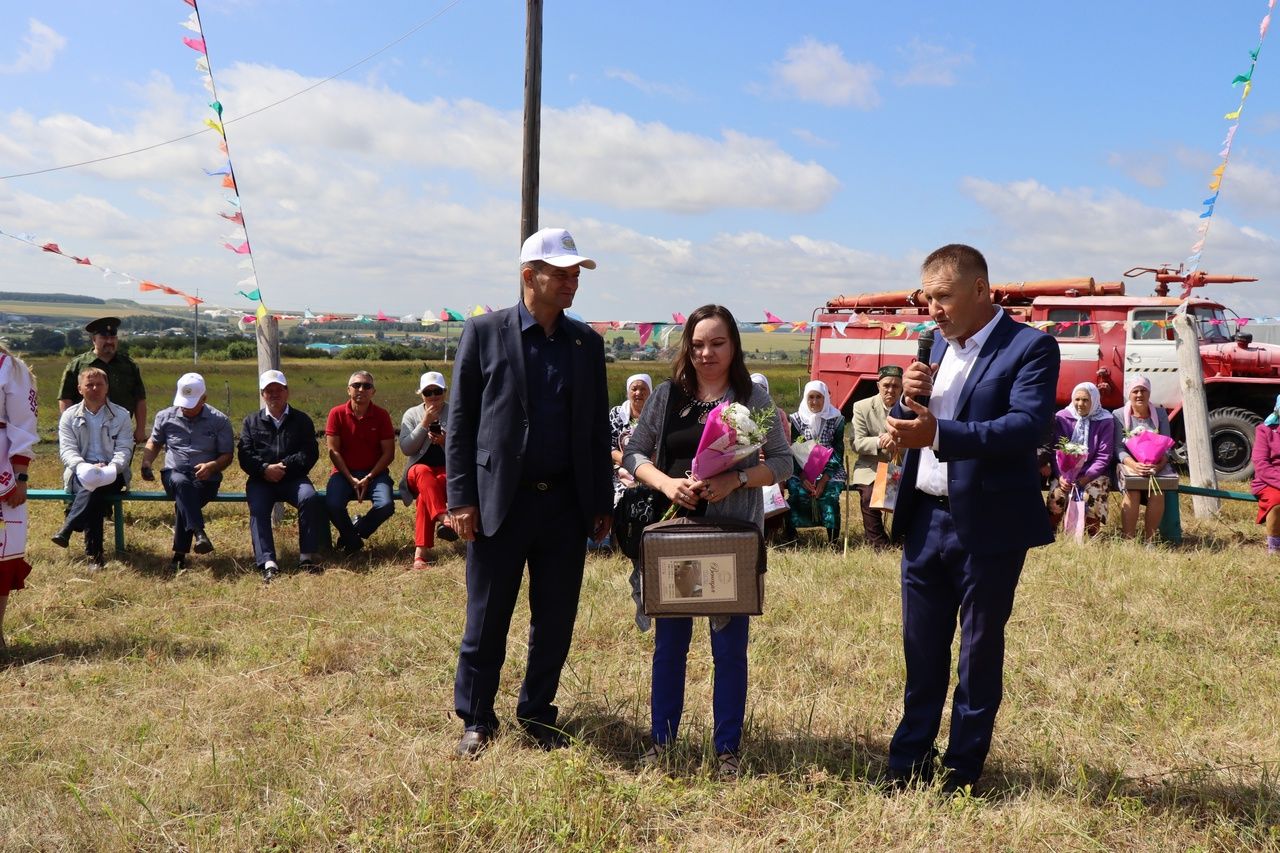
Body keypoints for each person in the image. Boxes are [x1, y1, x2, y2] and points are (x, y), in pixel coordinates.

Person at [885, 244, 1060, 791]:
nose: (933, 310)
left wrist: (939, 433)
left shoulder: (1030, 347)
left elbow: (1027, 426)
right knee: (921, 649)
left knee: (978, 654)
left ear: (981, 291)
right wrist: (904, 404)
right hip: (924, 521)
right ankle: (906, 763)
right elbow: (909, 426)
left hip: (988, 525)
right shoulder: (935, 345)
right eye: (927, 298)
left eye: (944, 297)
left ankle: (962, 772)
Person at [447, 227, 613, 758]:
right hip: (500, 502)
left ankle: (538, 713)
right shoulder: (484, 332)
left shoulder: (586, 344)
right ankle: (476, 718)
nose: (571, 284)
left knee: (556, 618)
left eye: (575, 275)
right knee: (487, 618)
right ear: (529, 276)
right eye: (562, 274)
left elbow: (594, 432)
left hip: (565, 505)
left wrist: (601, 503)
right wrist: (461, 499)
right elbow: (460, 422)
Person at [624, 304, 791, 780]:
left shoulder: (751, 400)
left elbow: (781, 463)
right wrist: (664, 483)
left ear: (734, 345)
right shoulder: (666, 396)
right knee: (669, 645)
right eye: (697, 344)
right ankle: (662, 743)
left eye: (717, 343)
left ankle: (728, 750)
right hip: (673, 535)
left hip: (729, 538)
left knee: (729, 646)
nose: (706, 352)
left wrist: (735, 480)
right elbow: (635, 450)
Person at [138, 373, 234, 574]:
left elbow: (227, 455)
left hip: (207, 478)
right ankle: (199, 533)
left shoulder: (220, 420)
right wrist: (147, 461)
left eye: (192, 403)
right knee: (181, 484)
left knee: (185, 498)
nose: (186, 408)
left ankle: (180, 555)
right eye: (183, 403)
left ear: (204, 398)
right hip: (174, 474)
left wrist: (212, 466)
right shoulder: (165, 416)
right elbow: (154, 442)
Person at [238, 369, 325, 580]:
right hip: (261, 480)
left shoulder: (302, 420)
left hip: (293, 478)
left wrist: (284, 466)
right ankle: (268, 563)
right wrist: (264, 469)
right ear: (262, 394)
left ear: (287, 392)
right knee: (258, 508)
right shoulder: (251, 422)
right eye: (269, 390)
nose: (274, 394)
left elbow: (309, 453)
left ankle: (306, 558)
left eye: (279, 389)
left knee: (309, 498)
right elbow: (244, 454)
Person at [52, 368, 134, 572]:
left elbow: (125, 449)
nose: (95, 388)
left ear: (107, 388)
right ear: (80, 389)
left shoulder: (121, 415)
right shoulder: (69, 416)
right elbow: (68, 450)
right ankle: (94, 558)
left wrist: (111, 468)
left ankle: (70, 527)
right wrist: (85, 467)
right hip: (79, 471)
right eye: (89, 384)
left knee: (94, 486)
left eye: (99, 384)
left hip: (114, 472)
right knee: (93, 488)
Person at [325, 370, 396, 554]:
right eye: (356, 385)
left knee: (386, 505)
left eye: (367, 386)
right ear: (348, 390)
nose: (361, 389)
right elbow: (333, 451)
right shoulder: (337, 413)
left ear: (373, 391)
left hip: (375, 474)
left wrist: (369, 477)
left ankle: (354, 533)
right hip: (343, 473)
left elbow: (388, 453)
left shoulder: (381, 415)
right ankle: (353, 542)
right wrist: (350, 478)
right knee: (332, 504)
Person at [58, 317, 148, 445]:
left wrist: (140, 429)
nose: (109, 341)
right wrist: (69, 426)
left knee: (120, 463)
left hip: (120, 430)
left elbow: (140, 399)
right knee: (84, 464)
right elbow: (65, 398)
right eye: (104, 338)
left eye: (113, 338)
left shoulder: (129, 365)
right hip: (86, 428)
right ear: (94, 339)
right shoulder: (77, 365)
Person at [399, 370, 457, 570]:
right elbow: (407, 449)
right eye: (428, 392)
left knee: (426, 496)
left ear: (445, 391)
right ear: (421, 394)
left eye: (437, 391)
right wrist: (424, 424)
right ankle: (444, 518)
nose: (433, 396)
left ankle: (420, 556)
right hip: (417, 470)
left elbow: (465, 446)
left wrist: (445, 440)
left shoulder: (455, 412)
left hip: (445, 471)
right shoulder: (412, 414)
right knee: (423, 472)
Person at [0, 345, 37, 648]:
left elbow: (24, 425)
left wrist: (19, 476)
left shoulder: (10, 368)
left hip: (2, 472)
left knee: (2, 554)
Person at [1046, 382, 1116, 537]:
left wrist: (1086, 478)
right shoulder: (1063, 417)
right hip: (1065, 473)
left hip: (1094, 473)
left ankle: (1091, 535)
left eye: (1085, 400)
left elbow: (1104, 456)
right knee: (1057, 494)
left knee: (1094, 493)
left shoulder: (1105, 419)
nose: (1080, 404)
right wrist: (1061, 476)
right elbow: (1056, 451)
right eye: (1077, 399)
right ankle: (1051, 533)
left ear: (1094, 400)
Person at [611, 373, 652, 628]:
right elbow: (608, 446)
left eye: (643, 389)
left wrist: (645, 469)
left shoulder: (655, 415)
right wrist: (627, 465)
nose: (638, 394)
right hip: (619, 471)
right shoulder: (616, 415)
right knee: (620, 497)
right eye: (634, 389)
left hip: (649, 471)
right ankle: (620, 539)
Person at [1112, 375, 1175, 541]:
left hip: (1156, 467)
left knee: (1157, 492)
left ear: (1149, 393)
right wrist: (1134, 465)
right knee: (1133, 491)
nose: (1139, 395)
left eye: (1143, 390)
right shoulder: (1118, 415)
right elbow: (1118, 448)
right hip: (1129, 467)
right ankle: (1128, 539)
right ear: (1129, 394)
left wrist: (1159, 465)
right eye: (1135, 391)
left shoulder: (1160, 414)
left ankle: (1150, 540)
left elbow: (1167, 445)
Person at [785, 380, 847, 545]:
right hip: (802, 468)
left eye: (818, 397)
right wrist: (804, 476)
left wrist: (824, 478)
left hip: (830, 469)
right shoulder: (797, 419)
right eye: (810, 397)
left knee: (829, 495)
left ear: (825, 398)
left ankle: (833, 542)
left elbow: (838, 450)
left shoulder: (837, 418)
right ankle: (791, 539)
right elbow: (795, 448)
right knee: (796, 492)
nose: (814, 401)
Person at [849, 365, 902, 549]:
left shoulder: (910, 407)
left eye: (896, 386)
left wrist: (898, 439)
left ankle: (902, 538)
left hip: (902, 465)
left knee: (913, 494)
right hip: (871, 466)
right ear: (878, 385)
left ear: (902, 387)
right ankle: (879, 543)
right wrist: (880, 442)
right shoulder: (862, 407)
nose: (891, 390)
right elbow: (856, 443)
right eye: (886, 385)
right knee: (870, 496)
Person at [1251, 394, 1280, 555]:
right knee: (1277, 500)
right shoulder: (1265, 431)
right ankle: (1275, 547)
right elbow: (1261, 465)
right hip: (1269, 480)